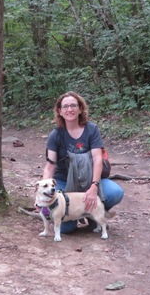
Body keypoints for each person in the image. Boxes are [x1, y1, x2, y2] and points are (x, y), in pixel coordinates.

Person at [41, 91, 124, 234]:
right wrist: (43, 193)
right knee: (66, 228)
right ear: (59, 111)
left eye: (73, 105)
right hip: (64, 181)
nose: (69, 109)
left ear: (80, 109)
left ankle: (93, 215)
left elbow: (98, 159)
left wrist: (94, 187)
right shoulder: (56, 135)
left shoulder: (91, 129)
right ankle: (75, 215)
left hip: (90, 179)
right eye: (65, 106)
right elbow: (50, 166)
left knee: (115, 193)